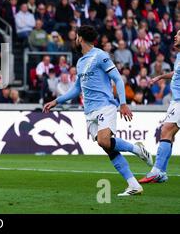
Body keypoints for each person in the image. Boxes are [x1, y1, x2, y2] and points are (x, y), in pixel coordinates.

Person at [43, 25, 152, 196]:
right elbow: (76, 89)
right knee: (108, 148)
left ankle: (136, 149)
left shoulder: (101, 56)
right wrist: (56, 101)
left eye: (76, 37)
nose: (75, 40)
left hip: (105, 105)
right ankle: (133, 185)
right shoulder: (80, 62)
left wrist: (123, 103)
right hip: (89, 111)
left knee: (104, 141)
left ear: (80, 38)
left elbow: (118, 78)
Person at [139, 29, 180, 184]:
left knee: (165, 130)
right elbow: (176, 73)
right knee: (169, 135)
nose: (175, 36)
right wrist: (161, 77)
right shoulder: (178, 56)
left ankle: (156, 171)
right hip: (175, 101)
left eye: (179, 34)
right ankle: (161, 173)